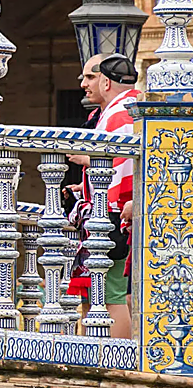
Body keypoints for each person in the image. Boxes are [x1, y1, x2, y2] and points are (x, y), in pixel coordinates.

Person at [70, 53, 139, 339]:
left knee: (111, 296)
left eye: (90, 76)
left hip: (113, 215)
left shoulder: (119, 112)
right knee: (102, 294)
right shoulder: (127, 106)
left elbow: (120, 165)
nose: (84, 84)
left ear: (106, 82)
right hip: (113, 213)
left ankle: (116, 356)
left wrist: (87, 160)